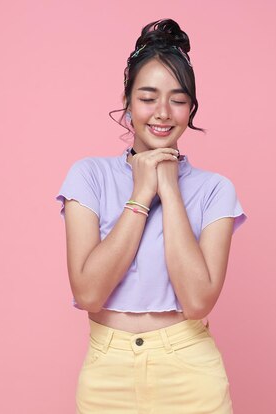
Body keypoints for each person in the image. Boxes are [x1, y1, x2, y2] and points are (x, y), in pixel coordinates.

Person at [55, 18, 247, 414]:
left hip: (190, 371)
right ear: (127, 102)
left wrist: (170, 187)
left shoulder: (215, 189)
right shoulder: (89, 176)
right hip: (108, 375)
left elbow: (197, 301)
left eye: (178, 99)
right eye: (148, 97)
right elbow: (88, 293)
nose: (162, 112)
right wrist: (142, 193)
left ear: (191, 107)